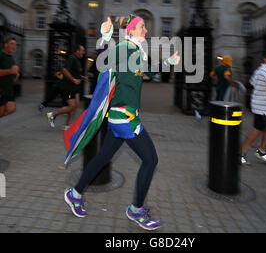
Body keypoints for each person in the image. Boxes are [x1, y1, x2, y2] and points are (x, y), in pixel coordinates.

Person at [64, 15, 180, 230]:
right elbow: (104, 63)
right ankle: (136, 211)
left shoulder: (136, 52)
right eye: (143, 27)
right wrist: (106, 36)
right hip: (124, 117)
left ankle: (75, 193)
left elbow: (149, 70)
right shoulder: (125, 48)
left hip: (118, 118)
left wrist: (168, 62)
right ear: (132, 30)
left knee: (102, 158)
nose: (146, 31)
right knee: (151, 160)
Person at [46, 45, 87, 129]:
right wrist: (73, 80)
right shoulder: (72, 58)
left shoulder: (78, 61)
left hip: (75, 88)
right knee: (72, 106)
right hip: (68, 87)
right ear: (77, 51)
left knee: (76, 105)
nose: (83, 52)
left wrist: (82, 77)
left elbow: (75, 73)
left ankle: (67, 124)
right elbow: (64, 70)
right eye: (82, 50)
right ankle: (52, 115)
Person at [195, 55, 237, 122]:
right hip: (224, 88)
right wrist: (232, 83)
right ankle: (201, 112)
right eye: (230, 60)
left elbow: (211, 74)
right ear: (228, 61)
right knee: (218, 103)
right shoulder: (227, 68)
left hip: (218, 87)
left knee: (218, 102)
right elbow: (226, 76)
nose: (231, 61)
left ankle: (215, 116)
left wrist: (217, 79)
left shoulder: (218, 67)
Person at [0, 37, 20, 118]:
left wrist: (16, 73)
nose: (14, 46)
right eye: (12, 44)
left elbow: (12, 70)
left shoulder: (10, 57)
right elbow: (9, 70)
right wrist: (10, 71)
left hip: (8, 90)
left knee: (12, 109)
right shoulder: (1, 55)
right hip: (1, 89)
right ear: (5, 45)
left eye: (15, 44)